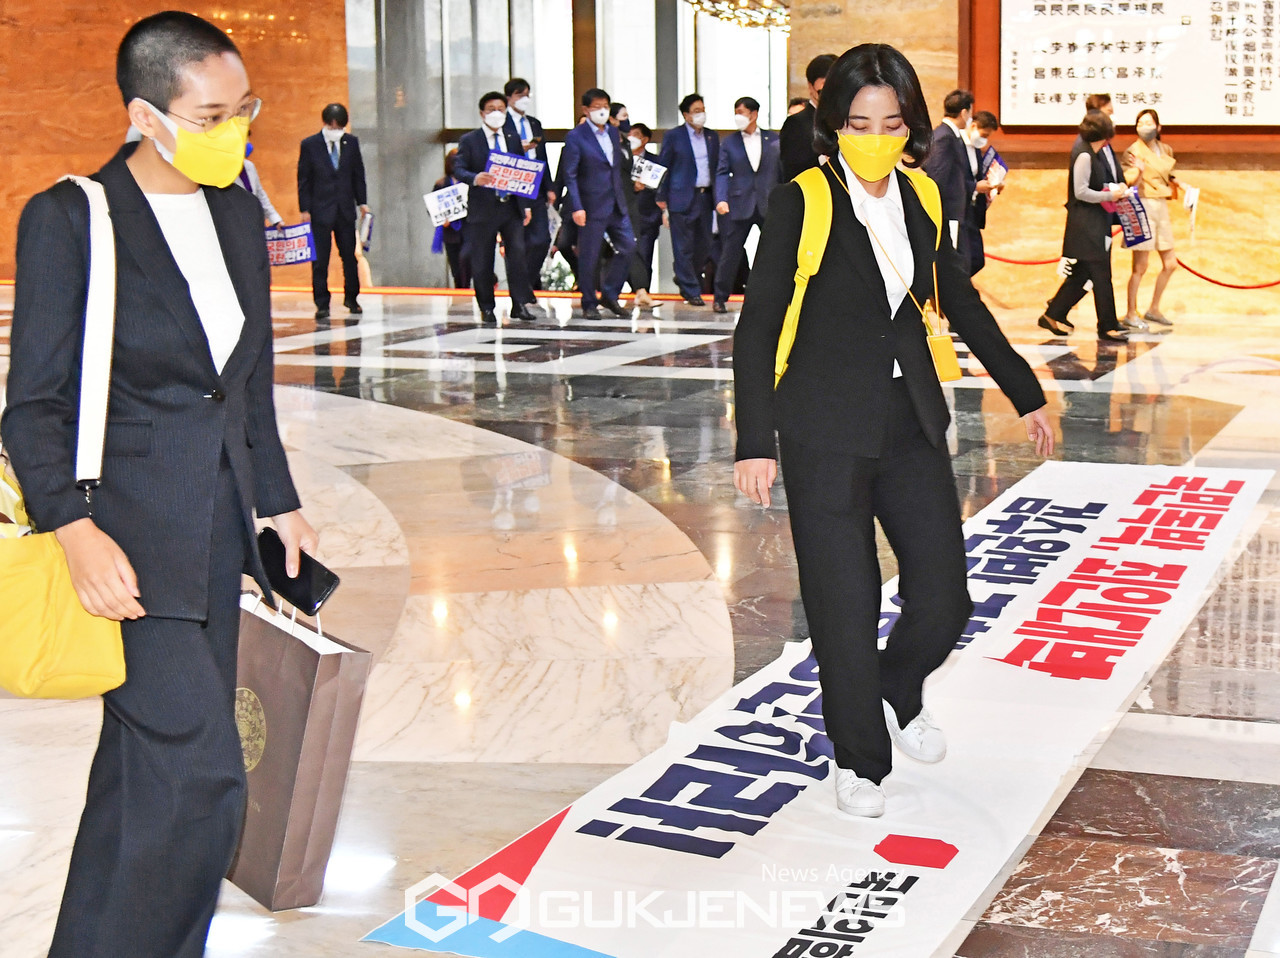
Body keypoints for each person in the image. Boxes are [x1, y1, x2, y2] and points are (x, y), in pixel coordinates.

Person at [1, 12, 318, 955]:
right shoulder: (70, 218)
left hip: (218, 541)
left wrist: (277, 495)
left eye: (245, 108)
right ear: (146, 114)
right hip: (126, 556)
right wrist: (72, 527)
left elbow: (245, 382)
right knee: (202, 779)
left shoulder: (232, 208)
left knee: (142, 786)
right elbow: (32, 406)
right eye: (215, 114)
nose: (238, 131)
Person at [732, 43, 1053, 818]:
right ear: (833, 125)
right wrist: (753, 438)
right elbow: (759, 324)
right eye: (857, 121)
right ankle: (860, 759)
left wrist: (1024, 388)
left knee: (945, 598)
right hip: (822, 426)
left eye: (890, 121)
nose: (874, 135)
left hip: (910, 423)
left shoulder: (921, 196)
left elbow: (959, 299)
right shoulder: (800, 202)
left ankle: (895, 688)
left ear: (908, 125)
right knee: (844, 601)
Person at [1038, 110, 1130, 343]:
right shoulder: (1085, 155)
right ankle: (1107, 326)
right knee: (1100, 274)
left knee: (1081, 276)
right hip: (1086, 226)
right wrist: (1109, 195)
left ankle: (1053, 314)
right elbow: (1081, 192)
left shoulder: (1093, 152)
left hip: (1093, 224)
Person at [453, 91, 538, 325]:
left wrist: (526, 206)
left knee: (518, 256)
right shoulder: (470, 140)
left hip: (510, 206)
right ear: (482, 113)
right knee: (482, 259)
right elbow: (458, 168)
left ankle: (519, 304)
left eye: (501, 109)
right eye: (491, 109)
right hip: (483, 208)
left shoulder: (512, 137)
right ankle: (487, 307)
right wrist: (474, 178)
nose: (496, 113)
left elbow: (522, 171)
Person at [561, 87, 636, 319]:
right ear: (585, 109)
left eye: (605, 106)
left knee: (628, 247)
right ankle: (589, 302)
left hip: (616, 202)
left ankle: (610, 294)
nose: (601, 111)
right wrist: (577, 206)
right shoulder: (576, 136)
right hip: (590, 205)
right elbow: (570, 174)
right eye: (596, 107)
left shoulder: (613, 133)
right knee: (590, 256)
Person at [297, 102, 369, 320]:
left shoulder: (351, 143)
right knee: (320, 259)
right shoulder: (310, 144)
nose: (337, 131)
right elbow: (303, 178)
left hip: (345, 209)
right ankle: (321, 303)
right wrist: (305, 208)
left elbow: (358, 174)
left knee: (349, 256)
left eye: (340, 127)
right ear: (325, 124)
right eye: (333, 127)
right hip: (320, 209)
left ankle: (352, 298)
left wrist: (362, 202)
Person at [713, 96, 780, 313]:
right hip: (738, 203)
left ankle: (774, 297)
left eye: (742, 112)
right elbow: (722, 172)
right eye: (736, 112)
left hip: (767, 203)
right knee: (730, 253)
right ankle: (719, 297)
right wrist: (721, 199)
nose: (738, 116)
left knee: (773, 252)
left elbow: (780, 172)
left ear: (754, 114)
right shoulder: (729, 142)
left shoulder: (773, 139)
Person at [656, 92, 720, 306]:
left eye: (702, 110)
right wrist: (661, 196)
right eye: (695, 111)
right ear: (686, 115)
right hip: (681, 197)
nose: (700, 114)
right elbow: (664, 165)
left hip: (705, 196)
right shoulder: (674, 136)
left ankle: (684, 277)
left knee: (704, 245)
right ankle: (691, 289)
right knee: (682, 246)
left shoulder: (712, 137)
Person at [1121, 108, 1178, 329]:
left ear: (1158, 126)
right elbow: (1128, 181)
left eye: (1148, 123)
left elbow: (1169, 176)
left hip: (1161, 205)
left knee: (1170, 263)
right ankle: (1130, 312)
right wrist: (1139, 171)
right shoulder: (1133, 151)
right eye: (1140, 123)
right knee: (1140, 266)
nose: (1144, 127)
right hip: (1142, 205)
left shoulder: (1166, 149)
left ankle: (1154, 308)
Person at [924, 90, 991, 265]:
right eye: (969, 112)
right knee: (954, 266)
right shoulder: (944, 137)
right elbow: (937, 174)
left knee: (968, 262)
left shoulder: (951, 136)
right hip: (949, 214)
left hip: (958, 213)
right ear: (964, 112)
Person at [503, 77, 554, 292]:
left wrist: (549, 186)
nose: (524, 100)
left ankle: (525, 284)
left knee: (542, 239)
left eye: (526, 95)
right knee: (517, 242)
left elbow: (542, 156)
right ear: (509, 97)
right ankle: (520, 290)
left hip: (536, 185)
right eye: (519, 95)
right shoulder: (503, 123)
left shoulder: (534, 123)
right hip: (513, 186)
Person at [779, 54, 838, 179]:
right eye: (824, 88)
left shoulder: (845, 119)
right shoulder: (795, 124)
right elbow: (792, 172)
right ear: (810, 86)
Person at [625, 123, 664, 310]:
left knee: (644, 255)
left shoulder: (655, 161)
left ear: (645, 140)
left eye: (636, 135)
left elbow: (661, 189)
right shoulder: (622, 158)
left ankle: (643, 292)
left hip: (647, 216)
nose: (631, 137)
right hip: (623, 215)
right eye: (629, 134)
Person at [962, 110, 1004, 276]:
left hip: (972, 210)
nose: (984, 139)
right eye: (984, 134)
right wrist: (974, 187)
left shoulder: (977, 150)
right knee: (966, 260)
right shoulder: (956, 145)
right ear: (973, 126)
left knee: (977, 260)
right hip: (959, 209)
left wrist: (993, 185)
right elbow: (949, 181)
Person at [431, 149, 470, 289]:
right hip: (450, 233)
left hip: (468, 230)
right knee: (455, 266)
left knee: (466, 261)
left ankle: (465, 287)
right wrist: (442, 219)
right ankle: (460, 289)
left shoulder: (468, 183)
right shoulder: (440, 184)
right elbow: (433, 209)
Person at [236, 138, 284, 228]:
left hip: (255, 221)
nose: (247, 142)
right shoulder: (224, 173)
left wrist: (275, 219)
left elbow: (260, 194)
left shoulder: (249, 166)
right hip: (237, 225)